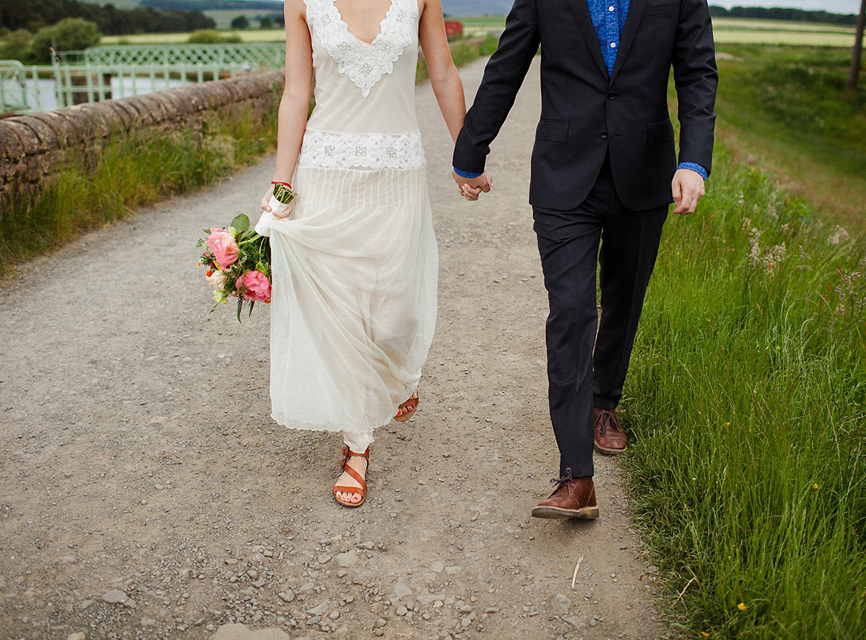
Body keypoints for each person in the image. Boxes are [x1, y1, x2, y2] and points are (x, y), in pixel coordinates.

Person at [452, 0, 717, 518]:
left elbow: (697, 73)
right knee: (571, 312)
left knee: (624, 299)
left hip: (643, 172)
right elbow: (507, 65)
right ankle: (577, 476)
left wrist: (693, 161)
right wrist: (470, 150)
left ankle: (604, 402)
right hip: (562, 172)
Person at [255, 0, 467, 507]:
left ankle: (396, 376)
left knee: (395, 313)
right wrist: (282, 181)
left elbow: (442, 73)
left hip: (397, 177)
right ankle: (357, 446)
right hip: (326, 175)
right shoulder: (301, 2)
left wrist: (467, 152)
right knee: (344, 315)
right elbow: (296, 91)